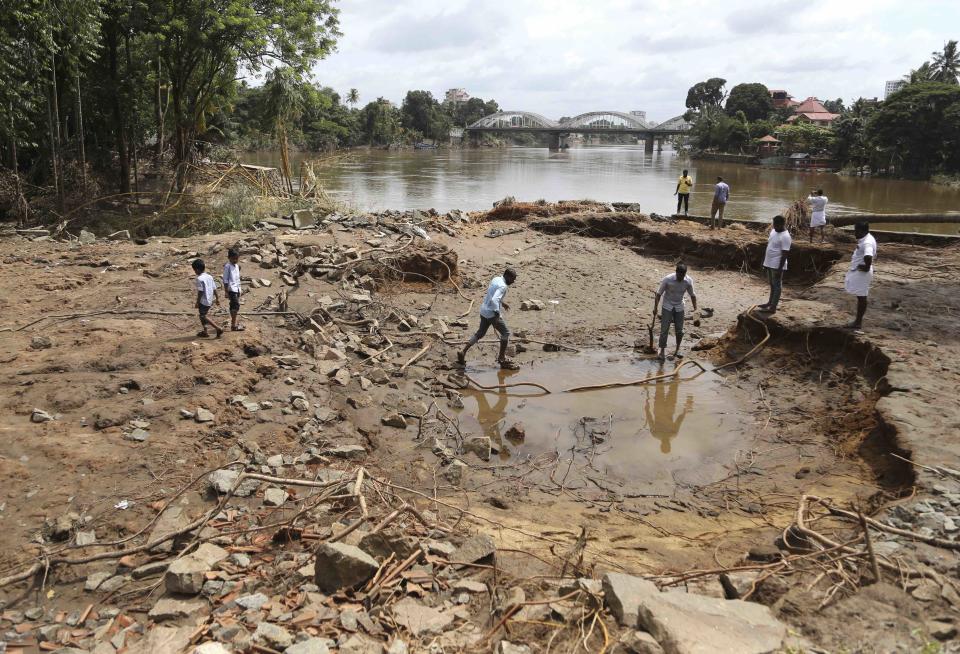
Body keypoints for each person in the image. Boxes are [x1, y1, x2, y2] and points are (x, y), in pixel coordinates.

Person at [458, 268, 518, 369]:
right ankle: (501, 358)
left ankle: (463, 351)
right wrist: (497, 313)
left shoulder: (496, 279)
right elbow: (495, 299)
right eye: (512, 279)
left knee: (480, 333)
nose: (513, 281)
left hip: (483, 310)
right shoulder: (503, 286)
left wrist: (502, 303)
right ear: (507, 276)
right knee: (506, 333)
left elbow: (491, 294)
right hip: (491, 313)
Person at [652, 262, 697, 362]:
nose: (680, 277)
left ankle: (677, 349)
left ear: (685, 274)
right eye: (679, 275)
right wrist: (655, 308)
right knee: (664, 329)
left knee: (679, 330)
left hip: (679, 306)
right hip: (667, 306)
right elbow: (659, 294)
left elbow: (692, 295)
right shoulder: (668, 279)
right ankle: (662, 350)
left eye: (683, 275)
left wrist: (695, 309)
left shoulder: (688, 281)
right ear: (676, 272)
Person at [844, 221, 877, 330]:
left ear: (862, 231)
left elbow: (868, 255)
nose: (854, 233)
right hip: (860, 272)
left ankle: (858, 322)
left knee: (862, 297)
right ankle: (857, 321)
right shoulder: (866, 238)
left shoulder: (867, 242)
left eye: (856, 231)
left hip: (862, 273)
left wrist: (867, 267)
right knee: (861, 296)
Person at [759, 215, 791, 313]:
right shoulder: (773, 231)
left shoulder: (786, 236)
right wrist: (764, 261)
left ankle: (773, 307)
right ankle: (770, 303)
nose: (774, 226)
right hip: (769, 263)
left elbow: (785, 254)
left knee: (777, 286)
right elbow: (769, 246)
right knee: (772, 285)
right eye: (774, 224)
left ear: (782, 224)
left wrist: (780, 269)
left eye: (776, 225)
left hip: (777, 265)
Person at [192, 259, 223, 338]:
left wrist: (197, 302)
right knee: (202, 315)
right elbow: (214, 288)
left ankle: (218, 328)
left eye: (194, 270)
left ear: (197, 270)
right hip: (209, 300)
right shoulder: (209, 276)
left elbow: (200, 292)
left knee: (203, 316)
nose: (195, 272)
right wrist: (217, 298)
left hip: (203, 301)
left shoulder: (199, 279)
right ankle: (205, 332)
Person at [222, 248, 244, 332]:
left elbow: (237, 278)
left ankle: (233, 322)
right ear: (229, 258)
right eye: (233, 258)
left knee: (234, 306)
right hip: (231, 289)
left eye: (236, 258)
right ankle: (233, 325)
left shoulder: (237, 266)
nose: (235, 260)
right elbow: (225, 280)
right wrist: (226, 291)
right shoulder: (227, 266)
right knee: (235, 305)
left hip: (237, 288)